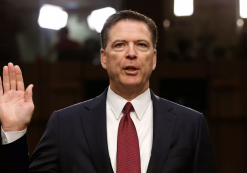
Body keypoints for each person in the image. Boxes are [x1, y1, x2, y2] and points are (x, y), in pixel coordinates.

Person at [0, 10, 218, 173]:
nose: (131, 53)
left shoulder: (191, 124)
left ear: (153, 59)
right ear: (104, 57)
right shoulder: (65, 124)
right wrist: (14, 131)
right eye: (120, 45)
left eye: (141, 45)